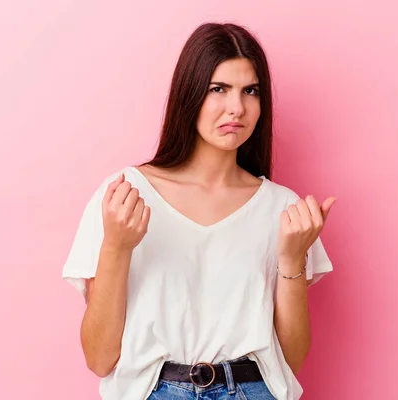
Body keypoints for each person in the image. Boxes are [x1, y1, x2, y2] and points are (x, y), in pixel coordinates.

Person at [62, 22, 336, 400]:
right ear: (189, 93)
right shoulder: (125, 196)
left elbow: (290, 360)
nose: (236, 108)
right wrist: (117, 246)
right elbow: (99, 357)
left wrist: (291, 260)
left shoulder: (283, 209)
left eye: (250, 91)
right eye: (218, 89)